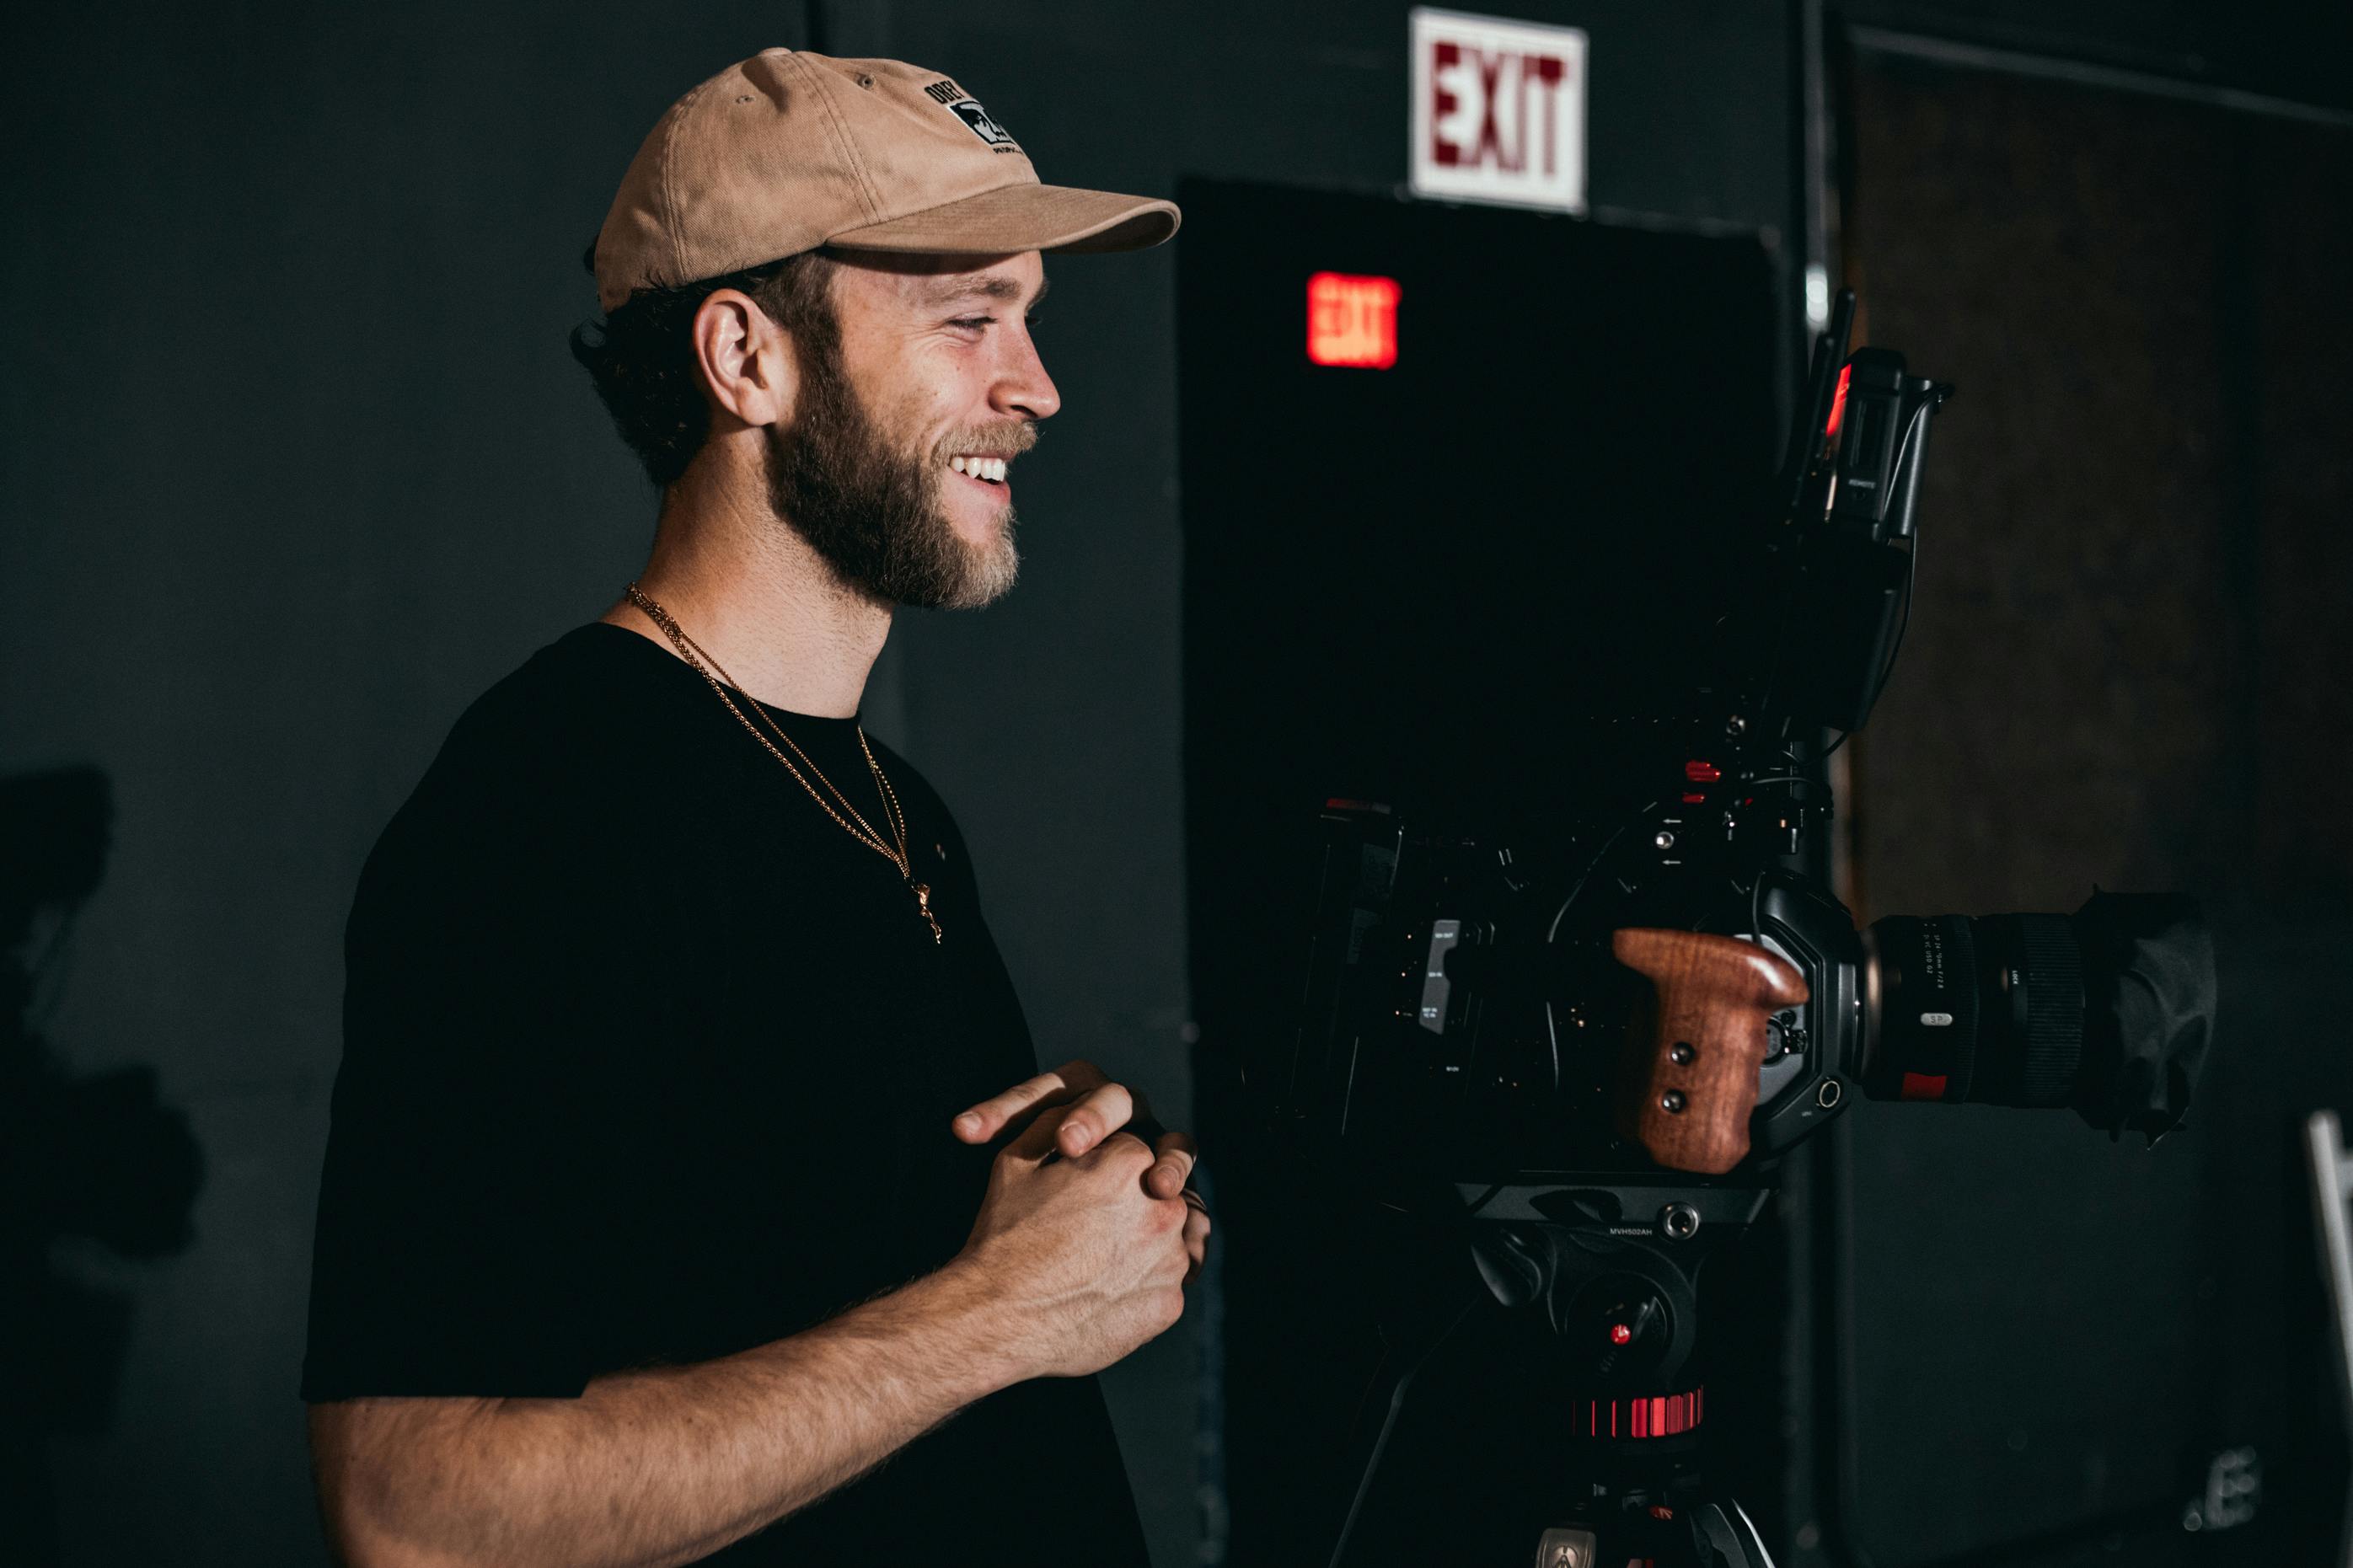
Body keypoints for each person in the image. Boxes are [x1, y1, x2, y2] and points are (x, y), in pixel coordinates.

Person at [300, 47, 1202, 1567]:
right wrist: (998, 1314)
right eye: (969, 316)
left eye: (1030, 319)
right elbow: (412, 1510)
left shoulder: (891, 802)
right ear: (746, 357)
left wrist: (1073, 1205)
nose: (1036, 386)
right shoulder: (543, 809)